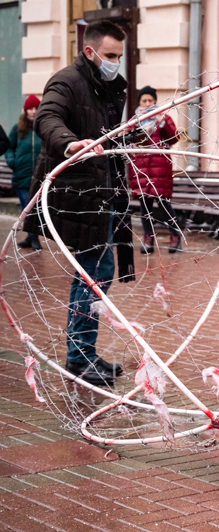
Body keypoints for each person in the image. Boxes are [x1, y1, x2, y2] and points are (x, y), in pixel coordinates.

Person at [24, 20, 133, 387]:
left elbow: (107, 138)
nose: (116, 62)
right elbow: (47, 117)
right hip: (76, 196)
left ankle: (84, 352)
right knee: (91, 275)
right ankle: (79, 357)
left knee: (98, 274)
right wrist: (71, 144)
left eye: (120, 55)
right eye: (110, 55)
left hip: (103, 193)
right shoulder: (67, 81)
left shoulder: (110, 88)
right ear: (90, 51)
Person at [127, 86, 182, 254]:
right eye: (144, 101)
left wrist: (162, 122)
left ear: (155, 101)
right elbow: (127, 139)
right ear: (139, 102)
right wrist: (131, 140)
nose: (147, 103)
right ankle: (148, 238)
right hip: (141, 168)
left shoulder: (164, 118)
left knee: (164, 204)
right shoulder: (134, 120)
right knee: (145, 206)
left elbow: (174, 138)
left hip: (159, 169)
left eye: (150, 100)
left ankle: (175, 236)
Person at [6, 95, 43, 251]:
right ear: (25, 110)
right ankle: (33, 239)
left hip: (39, 175)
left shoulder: (43, 127)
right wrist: (13, 162)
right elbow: (9, 147)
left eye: (36, 108)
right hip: (22, 176)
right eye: (30, 108)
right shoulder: (18, 128)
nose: (33, 111)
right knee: (26, 208)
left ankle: (31, 237)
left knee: (35, 208)